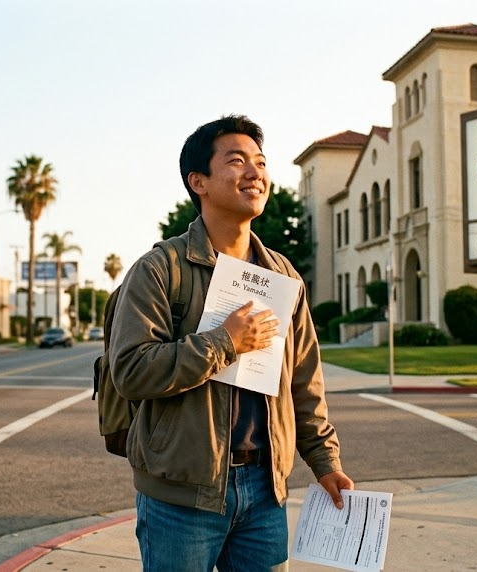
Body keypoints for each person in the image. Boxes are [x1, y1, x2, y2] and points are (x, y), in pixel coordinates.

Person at [110, 115, 353, 571]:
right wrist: (224, 342)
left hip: (265, 494)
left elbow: (303, 381)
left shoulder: (282, 275)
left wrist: (325, 461)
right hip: (182, 497)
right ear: (197, 181)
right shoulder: (161, 269)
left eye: (261, 162)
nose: (255, 172)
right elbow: (131, 371)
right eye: (237, 161)